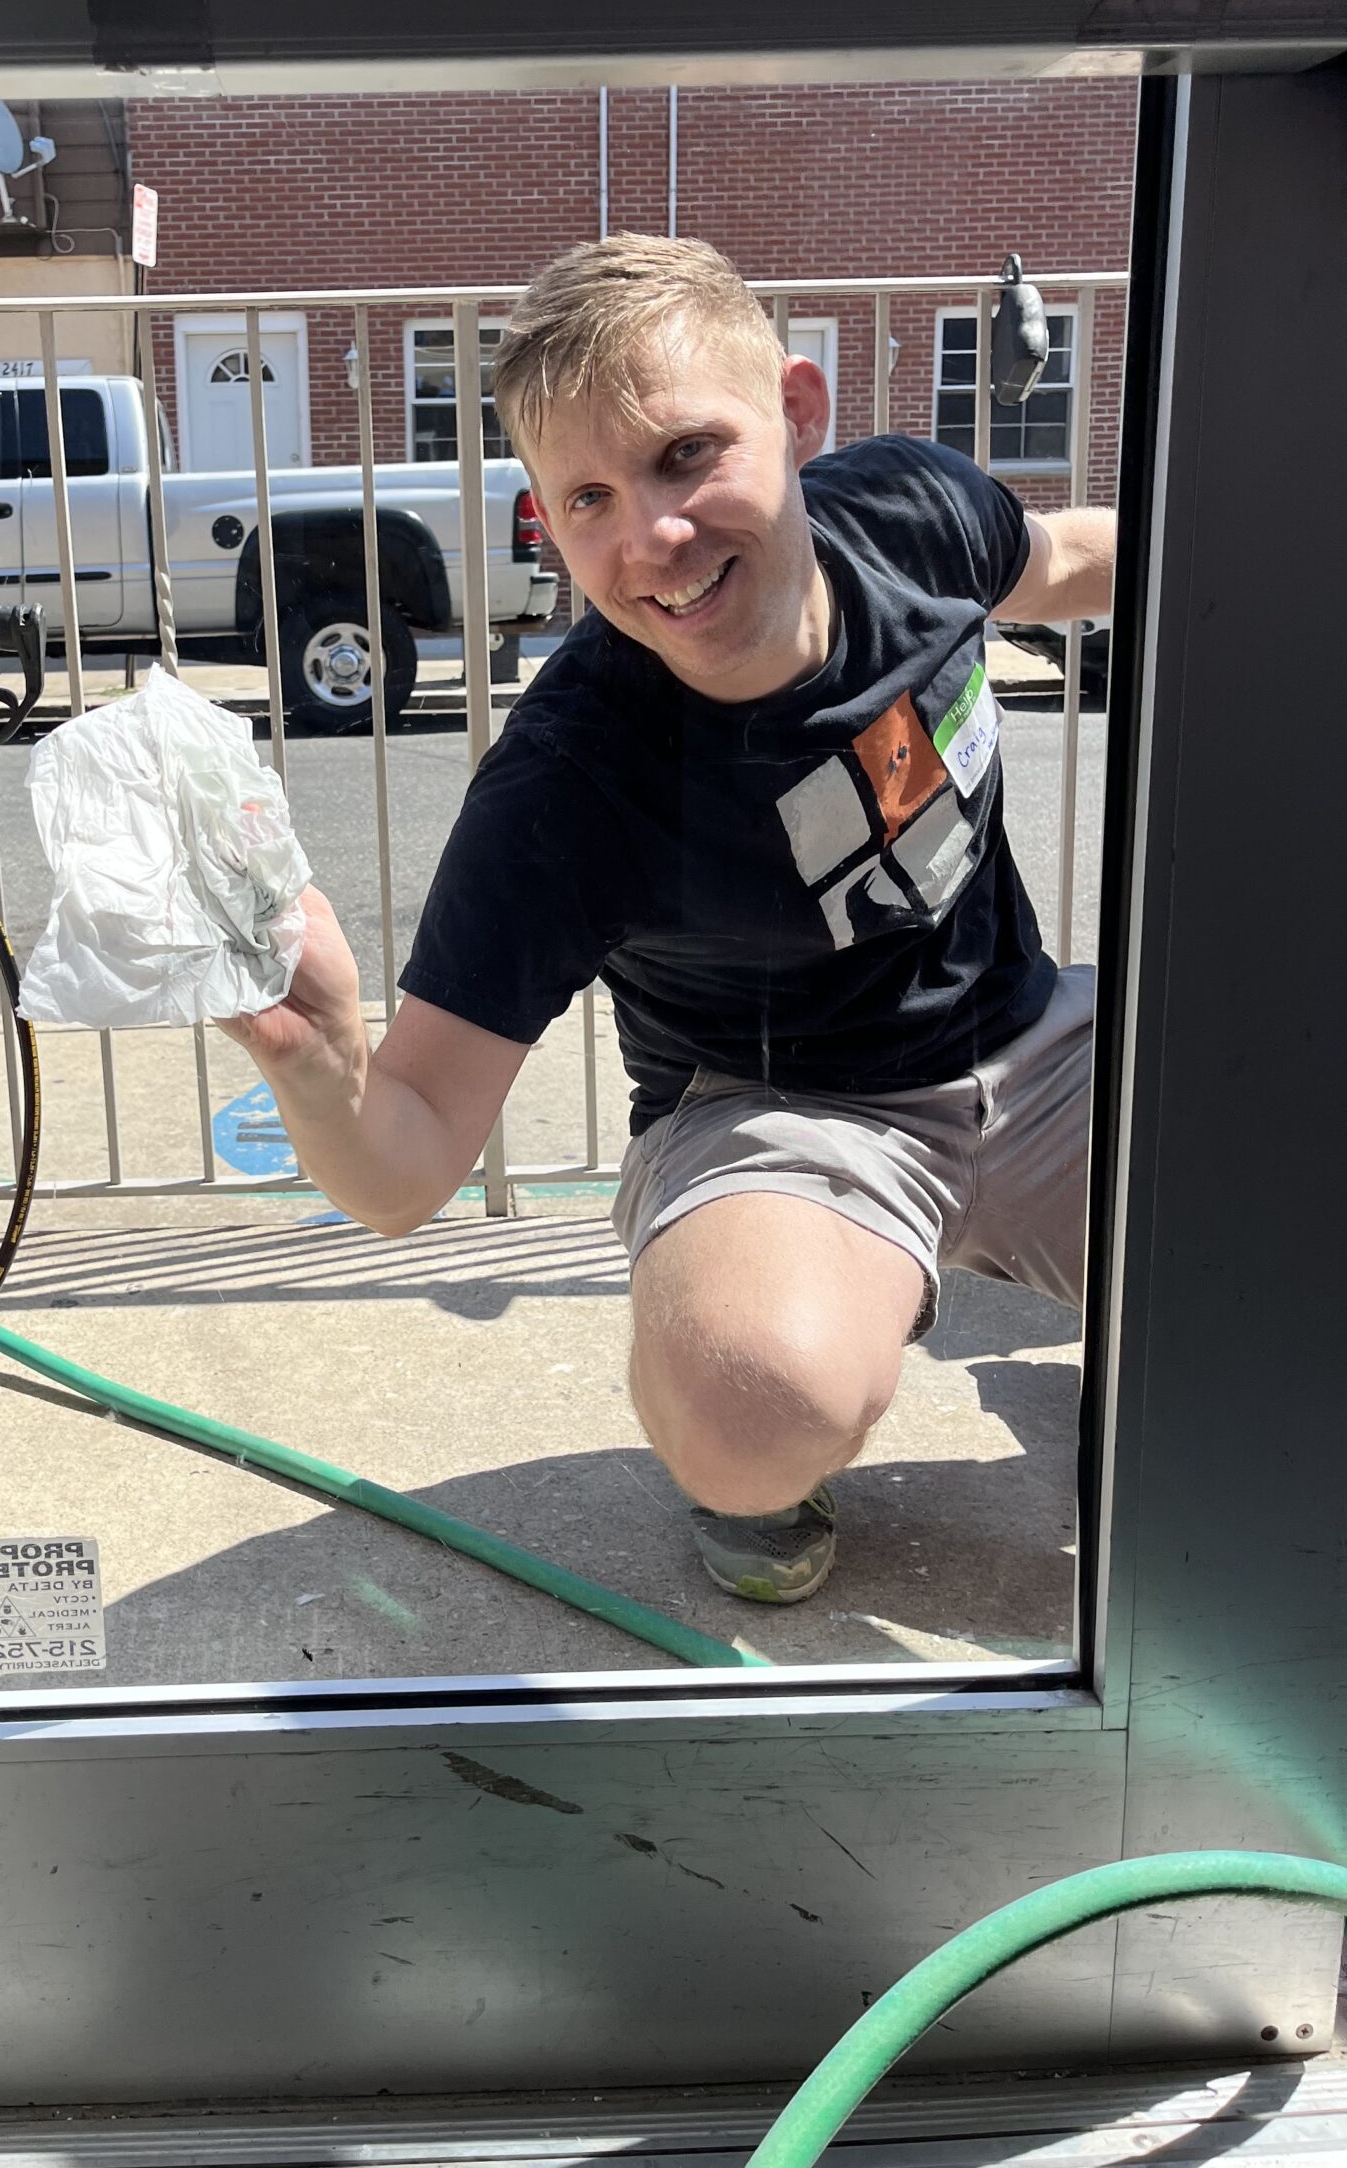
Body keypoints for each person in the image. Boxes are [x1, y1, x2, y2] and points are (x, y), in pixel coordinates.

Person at [220, 234, 1114, 1605]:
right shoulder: (571, 780)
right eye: (587, 497)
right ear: (545, 521)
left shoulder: (912, 514)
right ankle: (781, 1391)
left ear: (800, 416)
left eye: (687, 454)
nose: (651, 538)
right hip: (787, 1116)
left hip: (1039, 1042)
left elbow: (1060, 558)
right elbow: (404, 1169)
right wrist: (315, 1058)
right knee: (752, 1408)